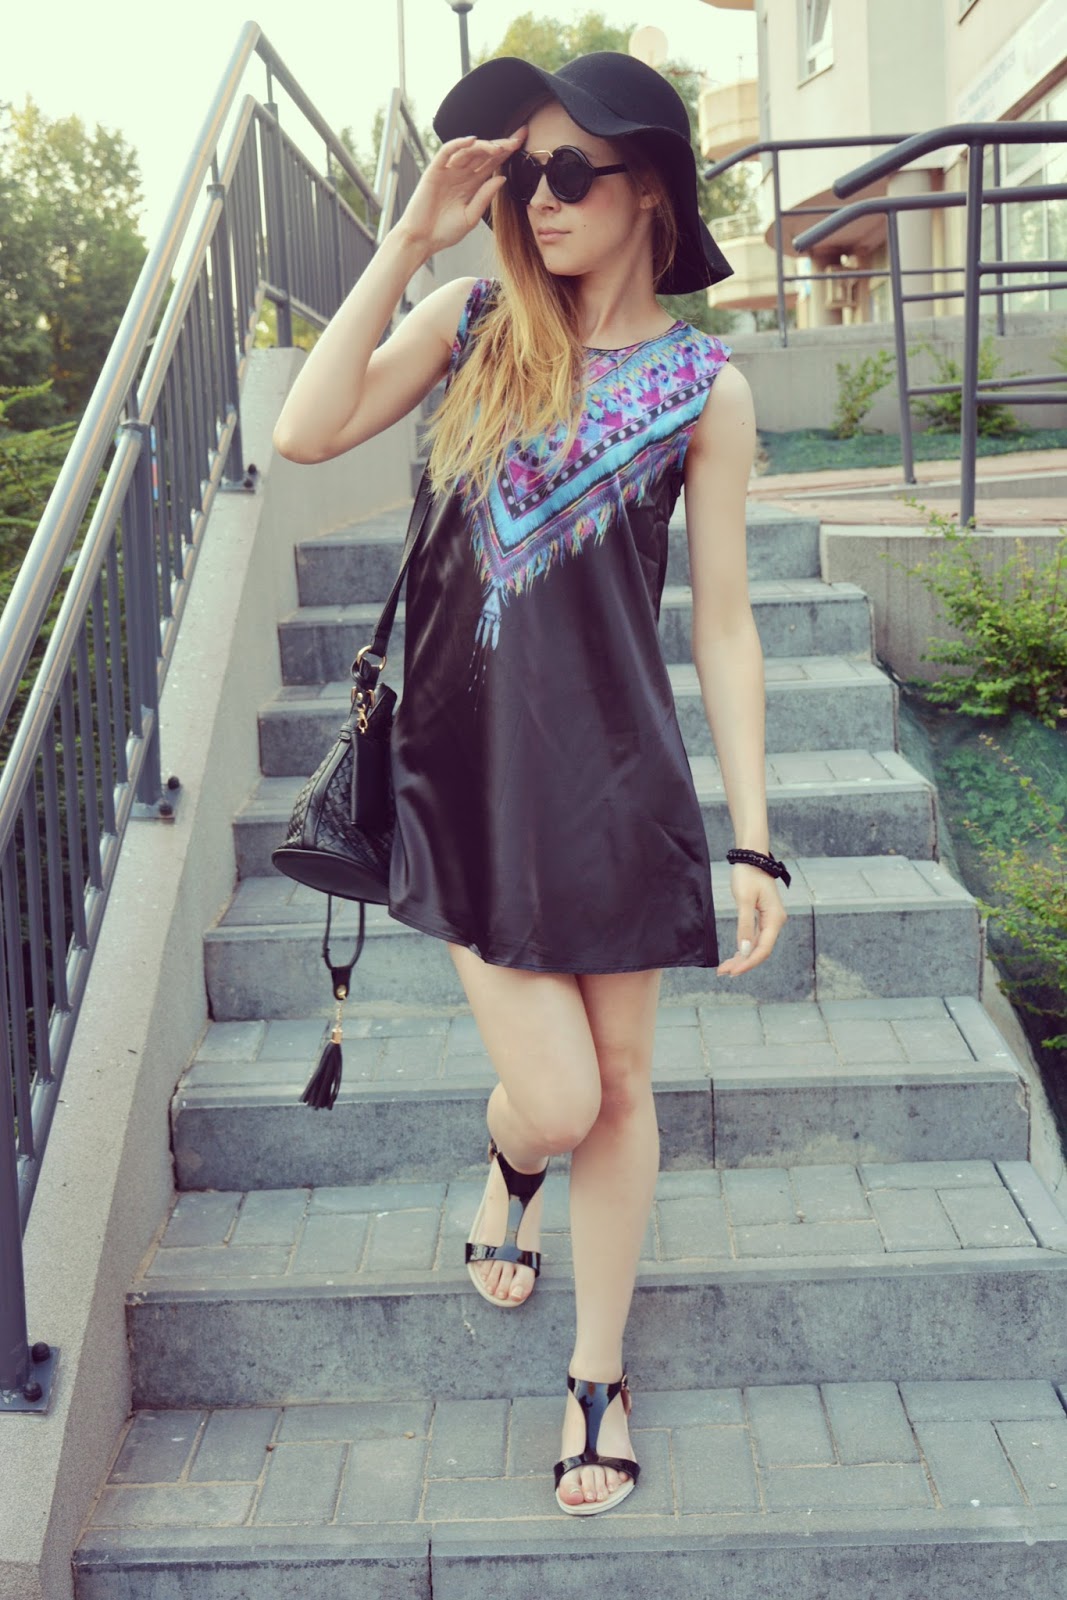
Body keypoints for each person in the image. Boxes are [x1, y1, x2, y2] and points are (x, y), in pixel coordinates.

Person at [273, 50, 787, 1517]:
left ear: (651, 194)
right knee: (556, 1098)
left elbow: (725, 625)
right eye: (524, 175)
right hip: (466, 781)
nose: (540, 199)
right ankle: (512, 1165)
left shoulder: (706, 389)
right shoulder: (472, 323)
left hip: (621, 786)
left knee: (621, 1089)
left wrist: (756, 840)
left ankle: (596, 1372)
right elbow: (305, 431)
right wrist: (410, 238)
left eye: (571, 172)